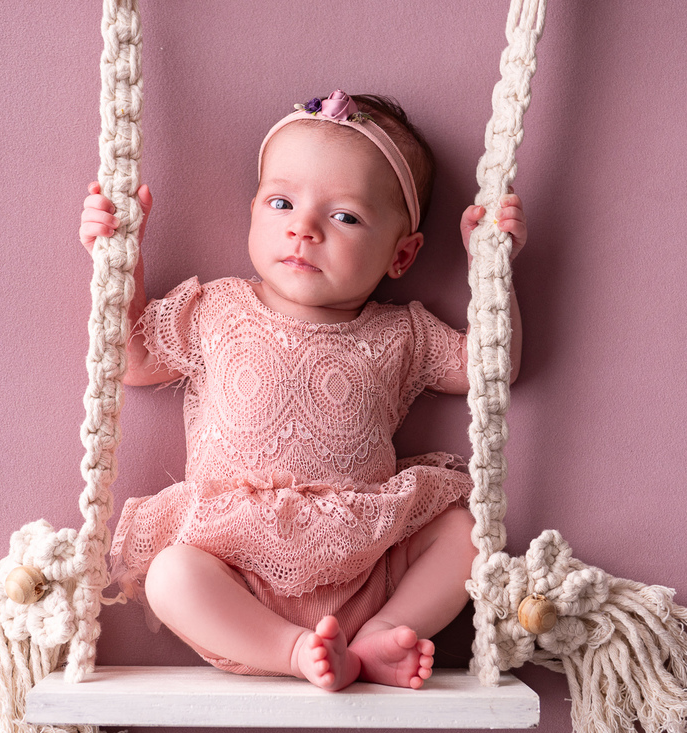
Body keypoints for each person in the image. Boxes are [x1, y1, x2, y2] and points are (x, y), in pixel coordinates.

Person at [79, 91, 525, 691]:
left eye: (345, 217)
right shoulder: (216, 309)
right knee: (170, 575)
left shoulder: (402, 333)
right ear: (253, 212)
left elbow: (492, 368)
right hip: (235, 572)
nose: (303, 228)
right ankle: (293, 650)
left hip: (367, 562)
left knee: (469, 531)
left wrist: (492, 269)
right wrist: (119, 259)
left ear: (402, 254)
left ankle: (382, 634)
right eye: (281, 203)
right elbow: (131, 357)